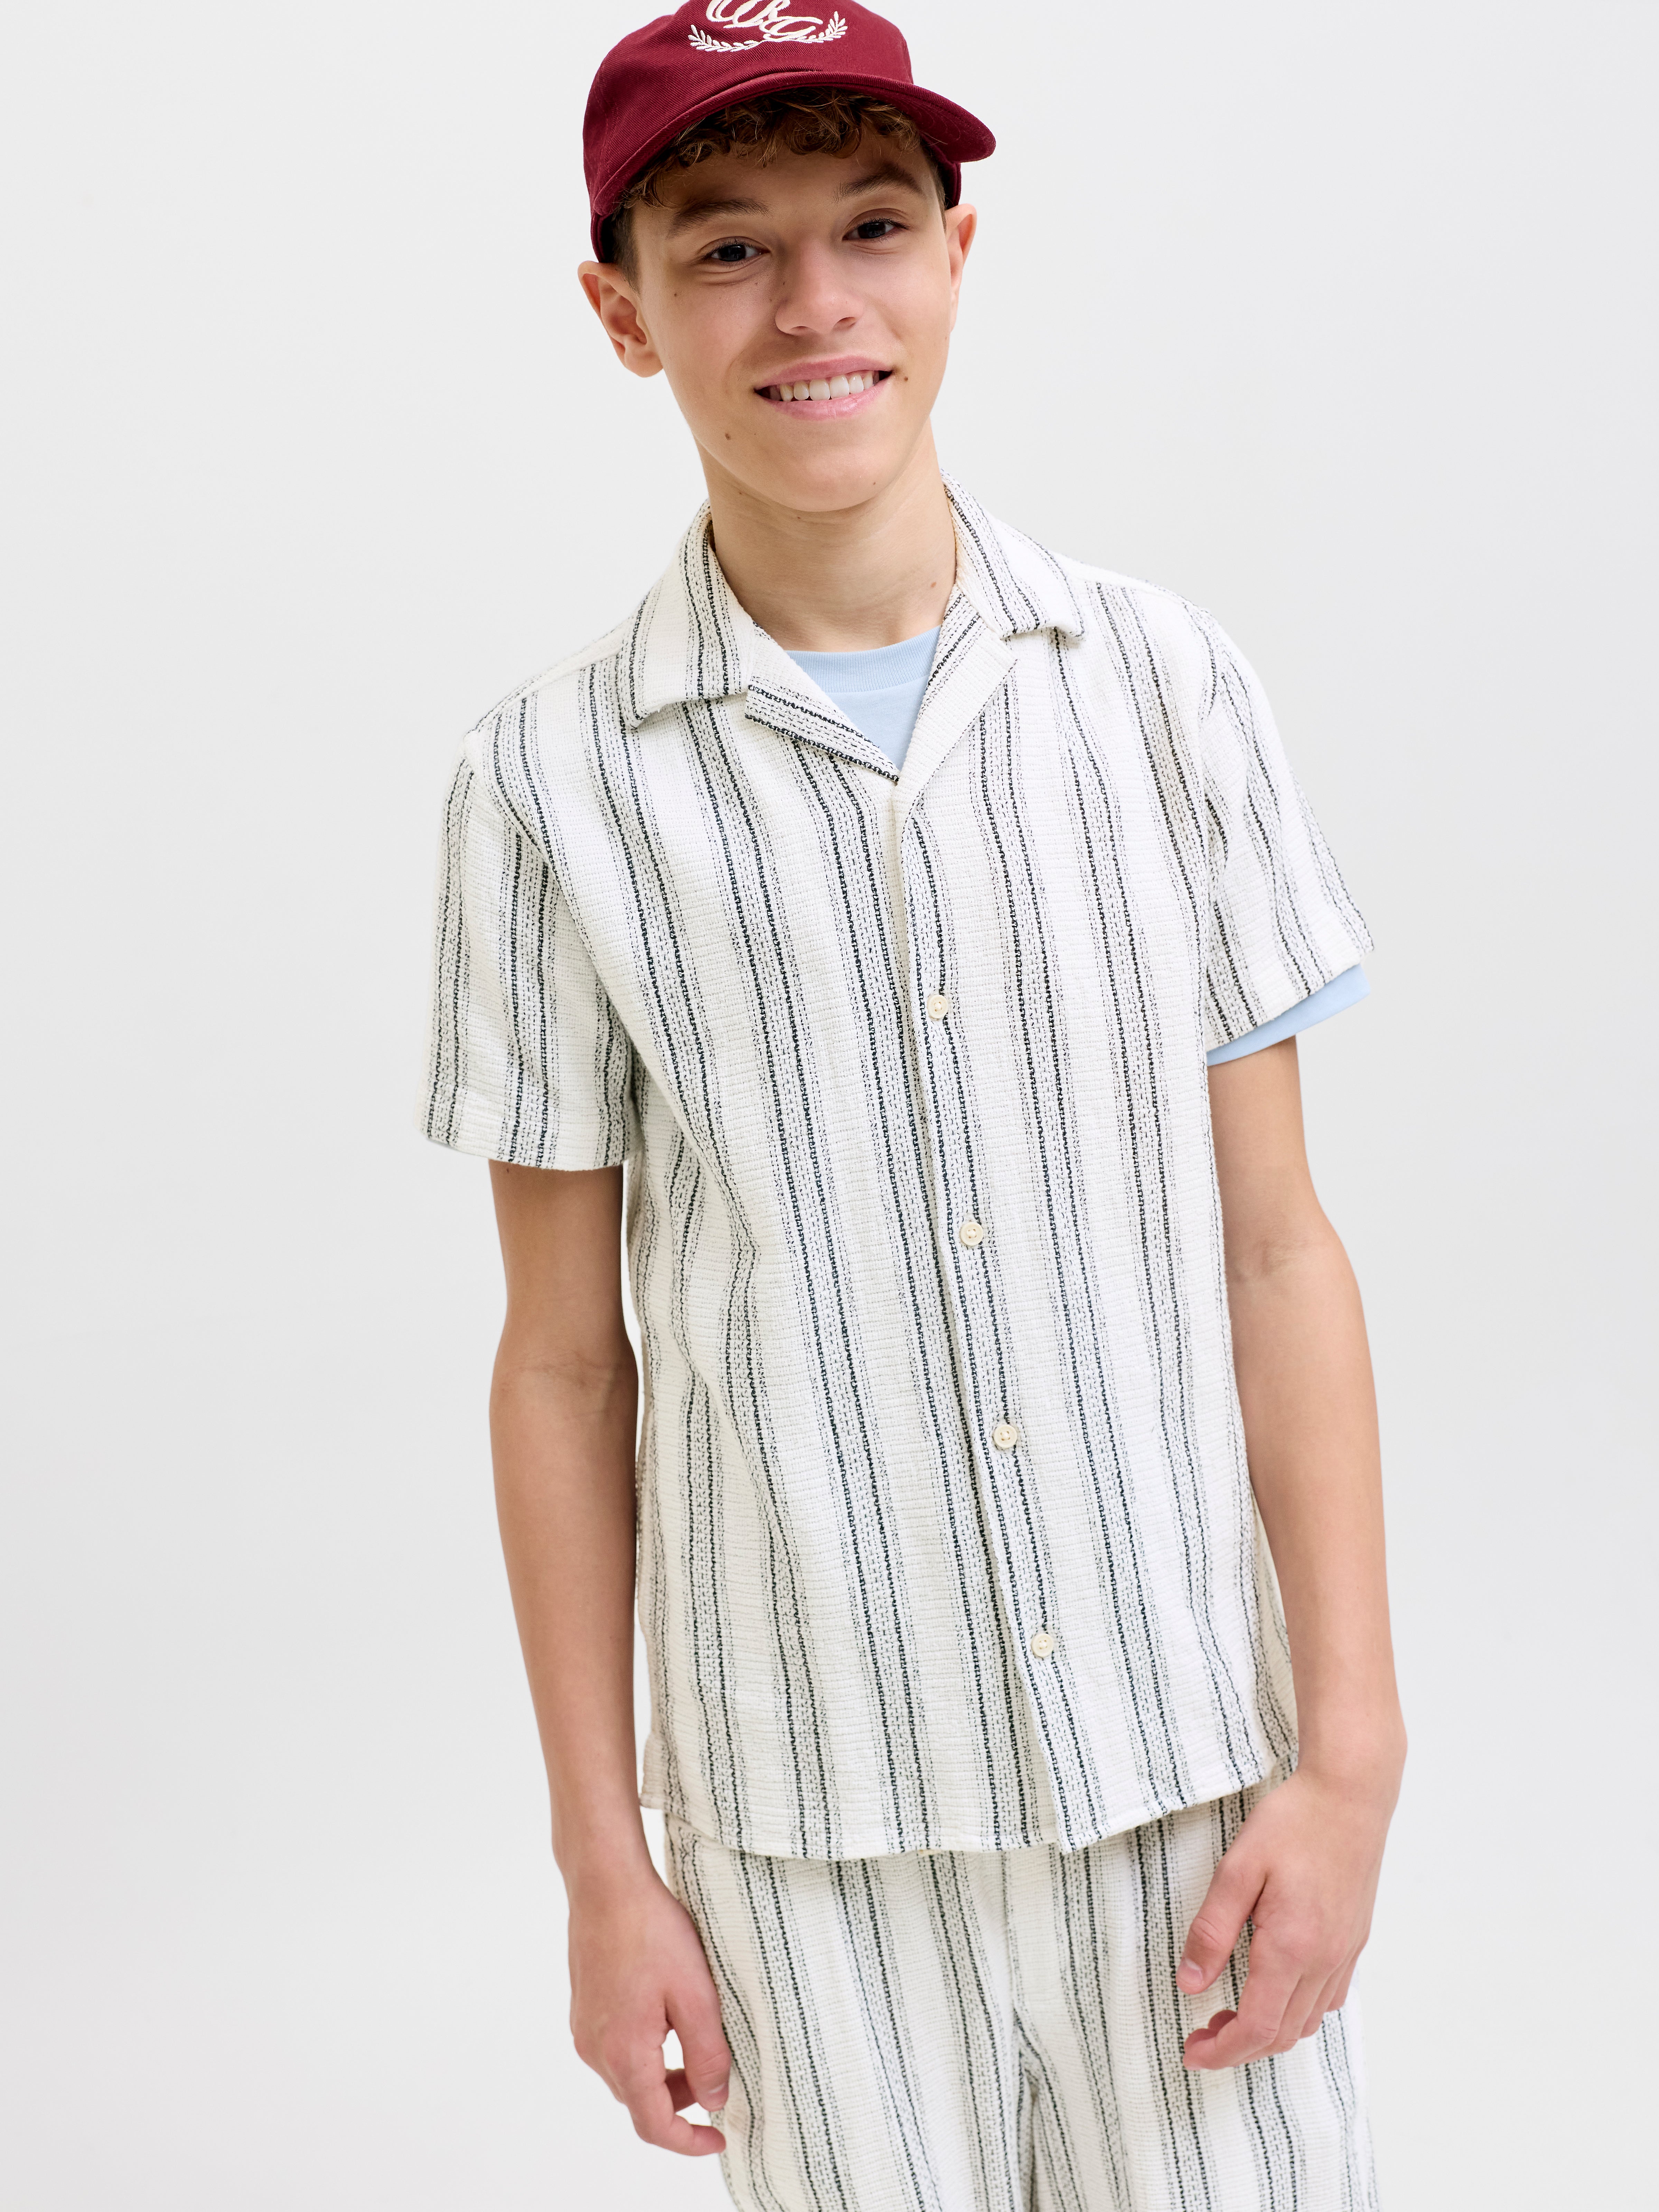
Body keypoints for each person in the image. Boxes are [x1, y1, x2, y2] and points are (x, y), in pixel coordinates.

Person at [420, 4, 1404, 2204]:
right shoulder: (548, 790)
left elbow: (1277, 1249)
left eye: (872, 227)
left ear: (959, 254)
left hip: (1191, 1786)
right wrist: (605, 1866)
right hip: (807, 1841)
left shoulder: (1164, 688)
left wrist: (1348, 1758)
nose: (814, 304)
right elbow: (564, 1364)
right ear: (622, 312)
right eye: (727, 249)